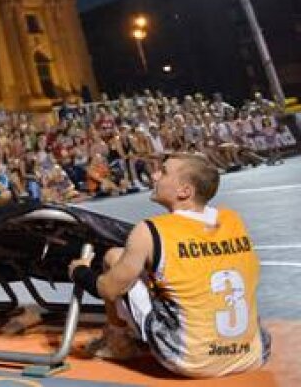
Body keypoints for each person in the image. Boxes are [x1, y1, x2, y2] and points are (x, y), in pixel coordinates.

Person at [68, 152, 270, 378]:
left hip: (190, 359)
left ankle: (118, 343)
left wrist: (79, 270)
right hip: (253, 355)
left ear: (185, 191)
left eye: (163, 172)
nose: (154, 176)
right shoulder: (232, 219)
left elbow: (107, 289)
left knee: (114, 258)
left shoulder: (151, 230)